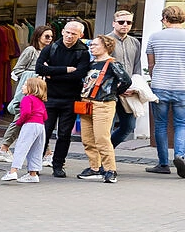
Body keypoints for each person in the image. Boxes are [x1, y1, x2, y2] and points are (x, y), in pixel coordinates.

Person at [35, 20, 91, 177]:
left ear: (81, 35)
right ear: (62, 32)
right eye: (67, 32)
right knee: (44, 132)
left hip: (71, 99)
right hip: (49, 98)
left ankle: (58, 165)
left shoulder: (83, 52)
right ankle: (35, 164)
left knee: (65, 134)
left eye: (74, 34)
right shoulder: (51, 48)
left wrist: (52, 73)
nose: (69, 36)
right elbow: (39, 68)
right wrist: (65, 70)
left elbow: (79, 75)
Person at [76, 33, 131, 183]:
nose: (91, 47)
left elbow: (126, 81)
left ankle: (110, 170)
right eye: (91, 44)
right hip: (86, 103)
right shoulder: (91, 64)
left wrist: (113, 93)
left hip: (103, 104)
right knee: (87, 139)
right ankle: (95, 168)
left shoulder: (112, 63)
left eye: (95, 44)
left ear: (106, 47)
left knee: (102, 138)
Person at [0, 26, 55, 159]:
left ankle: (46, 153)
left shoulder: (50, 52)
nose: (50, 39)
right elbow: (17, 70)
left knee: (38, 120)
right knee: (21, 118)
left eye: (51, 37)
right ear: (38, 36)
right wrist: (37, 74)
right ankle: (3, 148)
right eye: (47, 36)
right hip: (29, 92)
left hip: (40, 92)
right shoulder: (31, 51)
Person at [146, 5, 185, 176]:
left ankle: (163, 164)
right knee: (181, 124)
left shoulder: (155, 37)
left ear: (165, 19)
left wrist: (156, 77)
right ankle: (180, 155)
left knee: (160, 125)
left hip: (160, 86)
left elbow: (151, 64)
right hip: (182, 86)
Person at [2, 76, 49, 183]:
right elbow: (45, 116)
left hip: (30, 125)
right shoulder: (40, 101)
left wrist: (19, 122)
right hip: (40, 126)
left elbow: (26, 113)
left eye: (25, 85)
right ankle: (33, 174)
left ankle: (13, 171)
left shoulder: (27, 99)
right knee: (37, 150)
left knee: (21, 147)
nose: (22, 86)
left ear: (31, 88)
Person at [108, 10, 142, 147]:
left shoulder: (135, 42)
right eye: (121, 22)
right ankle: (101, 163)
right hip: (109, 90)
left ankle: (107, 152)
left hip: (128, 91)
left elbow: (137, 67)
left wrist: (134, 87)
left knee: (129, 126)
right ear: (114, 23)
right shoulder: (106, 40)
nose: (125, 25)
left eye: (129, 22)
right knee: (105, 129)